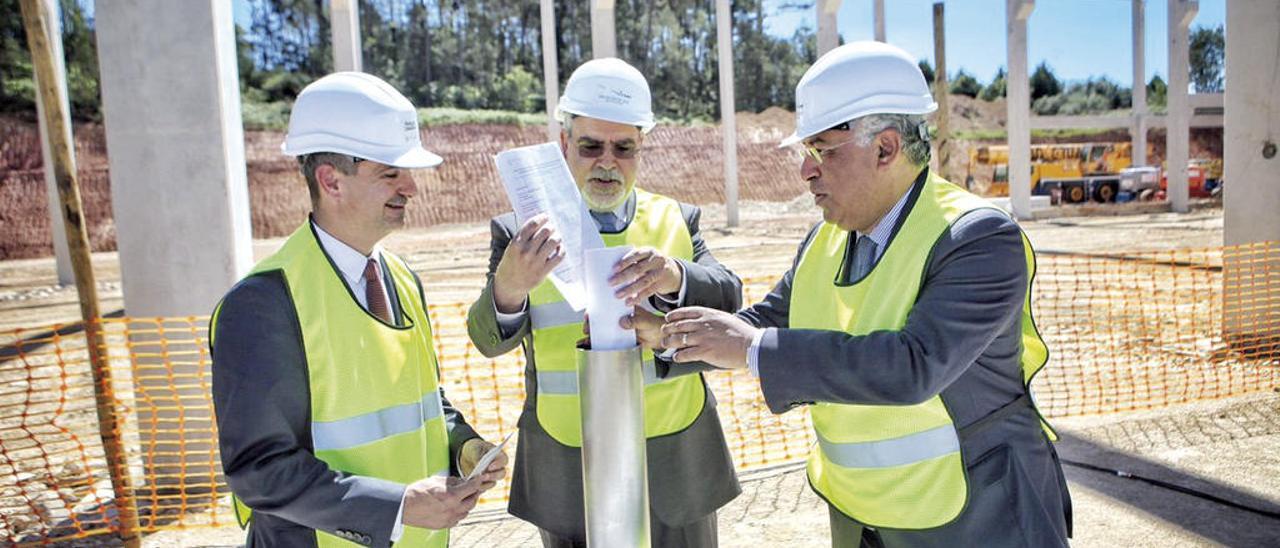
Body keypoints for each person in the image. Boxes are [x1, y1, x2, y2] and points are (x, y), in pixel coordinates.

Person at [655, 42, 1072, 547]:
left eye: (822, 150)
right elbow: (763, 322)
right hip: (863, 516)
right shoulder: (824, 238)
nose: (806, 171)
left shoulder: (978, 237)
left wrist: (748, 347)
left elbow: (913, 366)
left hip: (980, 515)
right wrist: (656, 332)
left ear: (886, 148)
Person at [210, 72, 507, 548]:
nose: (411, 187)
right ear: (331, 180)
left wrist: (465, 446)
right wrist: (397, 508)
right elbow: (259, 470)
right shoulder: (263, 304)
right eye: (390, 172)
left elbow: (424, 402)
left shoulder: (403, 279)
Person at [466, 58, 742, 547]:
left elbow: (730, 301)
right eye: (591, 146)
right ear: (563, 143)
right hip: (571, 472)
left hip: (673, 469)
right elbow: (487, 340)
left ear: (642, 147)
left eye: (624, 148)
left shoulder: (677, 220)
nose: (607, 161)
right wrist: (508, 288)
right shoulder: (520, 233)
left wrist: (676, 275)